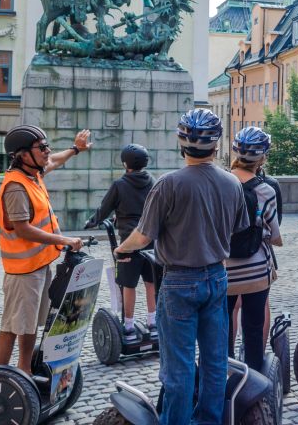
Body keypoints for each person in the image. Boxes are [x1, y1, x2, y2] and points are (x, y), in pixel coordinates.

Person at [114, 108, 249, 425]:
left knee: (179, 366)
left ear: (181, 143)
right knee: (215, 362)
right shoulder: (232, 183)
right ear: (216, 146)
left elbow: (144, 235)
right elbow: (238, 227)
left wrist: (121, 248)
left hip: (178, 283)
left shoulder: (169, 184)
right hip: (217, 278)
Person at [0, 125, 90, 375]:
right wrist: (65, 240)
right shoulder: (16, 187)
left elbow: (54, 161)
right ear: (23, 155)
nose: (48, 151)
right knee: (12, 325)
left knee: (30, 324)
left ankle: (24, 369)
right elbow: (23, 229)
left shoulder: (32, 176)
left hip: (38, 264)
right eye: (42, 147)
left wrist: (75, 149)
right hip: (22, 270)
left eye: (46, 146)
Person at [84, 143, 156, 335]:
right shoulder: (152, 181)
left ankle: (129, 324)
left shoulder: (120, 185)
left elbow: (105, 207)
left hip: (129, 243)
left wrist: (92, 221)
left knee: (128, 284)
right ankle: (153, 321)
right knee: (151, 282)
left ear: (126, 164)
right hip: (151, 240)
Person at [226, 126, 282, 372]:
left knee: (222, 325)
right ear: (262, 157)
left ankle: (223, 371)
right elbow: (275, 235)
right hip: (256, 272)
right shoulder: (265, 190)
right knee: (253, 325)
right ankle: (255, 379)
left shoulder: (220, 184)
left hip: (223, 271)